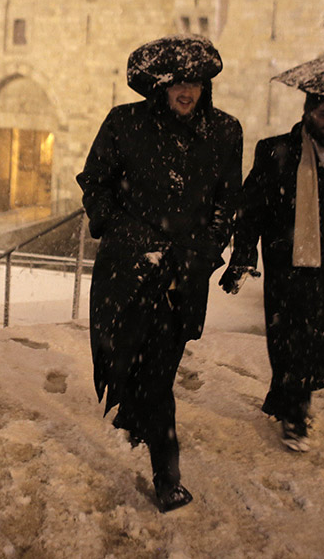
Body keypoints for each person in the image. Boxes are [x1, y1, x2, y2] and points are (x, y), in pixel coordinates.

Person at [76, 35, 243, 512]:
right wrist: (122, 230)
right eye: (177, 83)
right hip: (126, 272)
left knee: (159, 377)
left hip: (181, 278)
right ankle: (133, 414)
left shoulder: (225, 132)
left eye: (195, 82)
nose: (186, 92)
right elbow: (96, 183)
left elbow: (226, 203)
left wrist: (205, 252)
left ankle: (167, 476)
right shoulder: (124, 124)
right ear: (160, 86)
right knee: (120, 361)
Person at [219, 93, 324, 451]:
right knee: (288, 337)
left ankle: (290, 397)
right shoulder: (276, 150)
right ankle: (295, 412)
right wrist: (243, 256)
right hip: (287, 262)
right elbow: (251, 208)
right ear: (307, 112)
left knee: (318, 339)